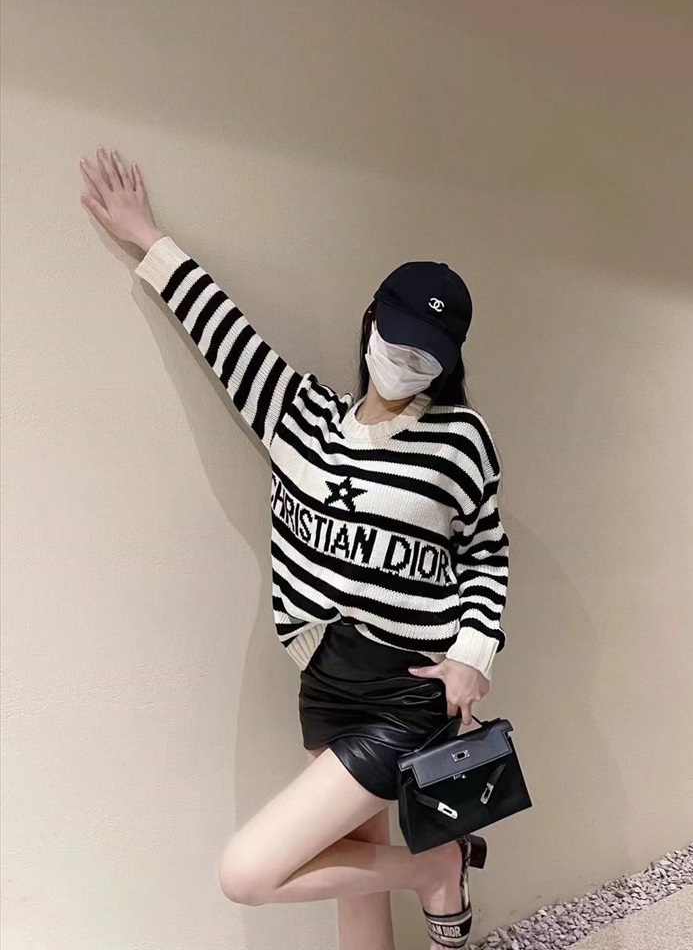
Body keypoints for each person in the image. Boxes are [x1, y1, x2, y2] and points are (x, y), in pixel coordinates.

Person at [79, 146, 510, 950]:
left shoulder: (461, 438)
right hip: (325, 679)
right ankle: (428, 868)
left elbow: (486, 553)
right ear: (371, 321)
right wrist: (147, 237)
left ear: (448, 363)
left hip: (407, 690)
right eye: (398, 340)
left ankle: (434, 867)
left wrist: (471, 656)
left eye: (427, 356)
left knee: (248, 872)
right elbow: (227, 336)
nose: (406, 362)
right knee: (359, 880)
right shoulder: (300, 415)